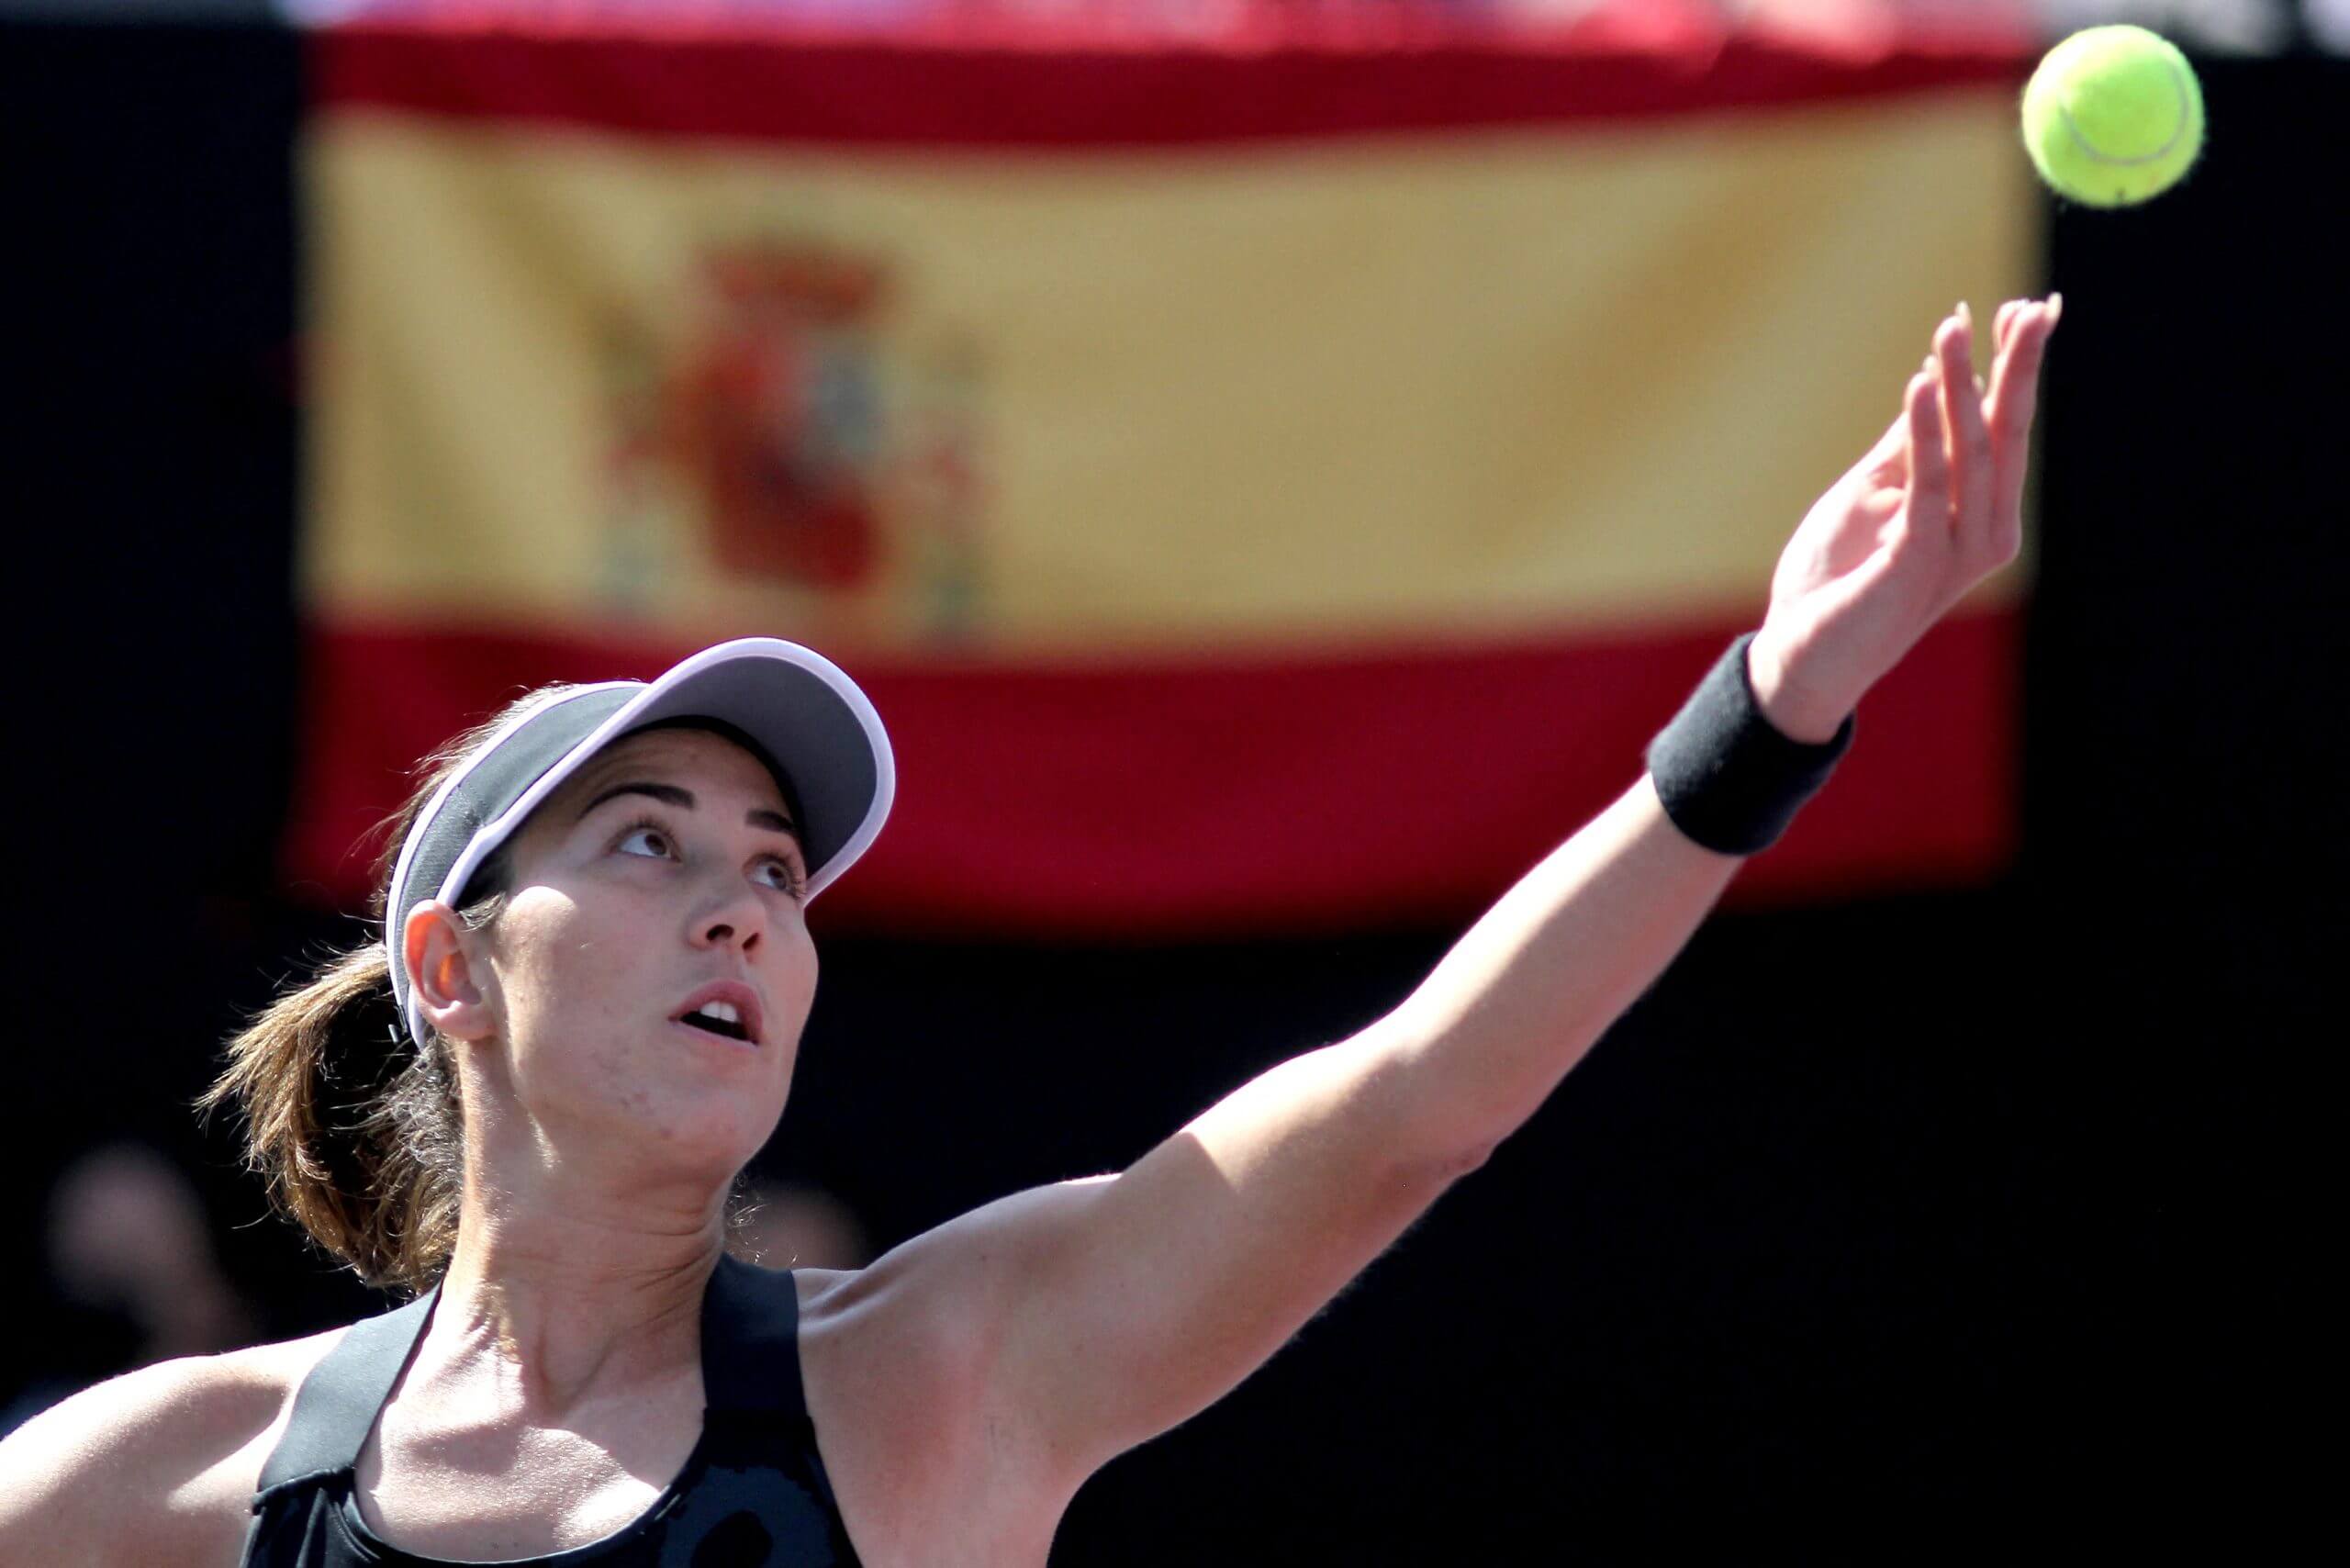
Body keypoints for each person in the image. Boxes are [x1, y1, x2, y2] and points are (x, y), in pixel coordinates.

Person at [0, 297, 2059, 1567]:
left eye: (779, 868)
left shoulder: (938, 1377)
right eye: (645, 841)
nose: (740, 893)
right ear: (452, 967)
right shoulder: (147, 1487)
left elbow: (1407, 1105)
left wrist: (1771, 705)